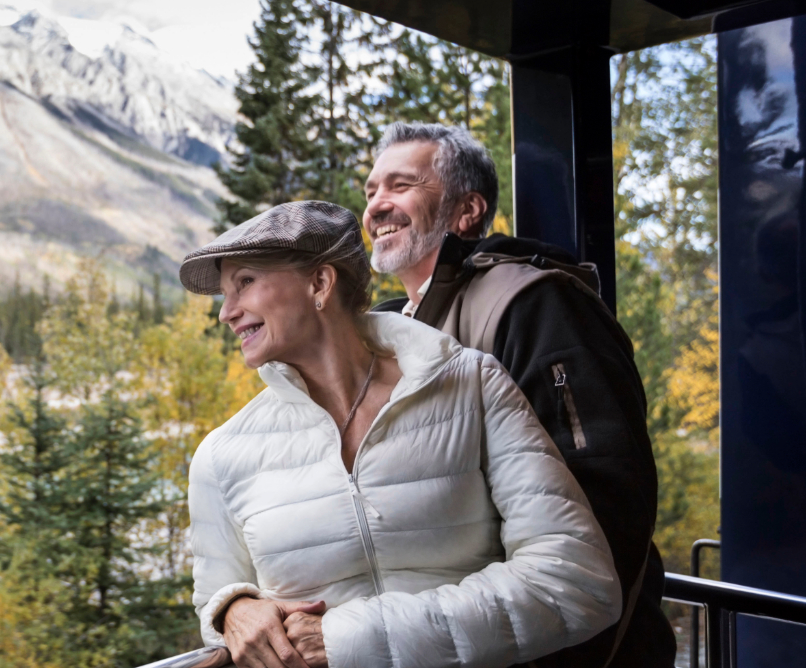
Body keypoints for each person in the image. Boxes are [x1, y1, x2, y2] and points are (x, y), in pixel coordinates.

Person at [181, 201, 621, 668]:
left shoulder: (472, 386)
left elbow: (577, 582)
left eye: (244, 282)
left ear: (319, 283)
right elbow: (219, 607)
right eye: (225, 294)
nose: (227, 312)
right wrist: (234, 607)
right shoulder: (221, 456)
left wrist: (350, 640)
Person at [364, 123, 675, 667]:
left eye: (400, 185)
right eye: (371, 192)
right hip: (449, 638)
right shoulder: (387, 330)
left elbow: (605, 494)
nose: (376, 207)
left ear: (467, 211)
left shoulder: (534, 304)